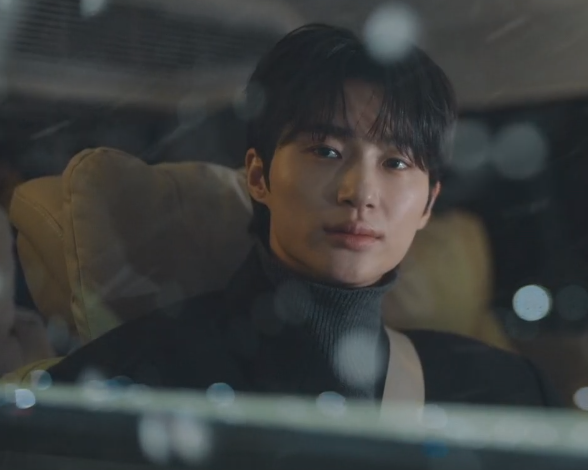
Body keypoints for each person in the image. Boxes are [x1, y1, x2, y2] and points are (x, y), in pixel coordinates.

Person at [45, 24, 559, 407]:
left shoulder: (506, 391)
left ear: (428, 204)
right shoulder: (129, 382)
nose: (360, 193)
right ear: (258, 175)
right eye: (326, 151)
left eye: (396, 163)